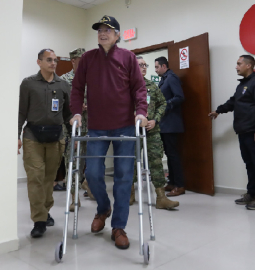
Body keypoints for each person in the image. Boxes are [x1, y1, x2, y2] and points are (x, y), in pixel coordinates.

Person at [70, 15, 148, 250]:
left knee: (124, 177)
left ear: (117, 35)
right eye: (100, 30)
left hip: (125, 126)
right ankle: (103, 208)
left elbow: (139, 88)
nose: (102, 33)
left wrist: (141, 112)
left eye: (108, 29)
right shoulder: (87, 58)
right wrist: (76, 113)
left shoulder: (128, 57)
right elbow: (76, 88)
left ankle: (118, 226)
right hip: (96, 127)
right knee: (92, 173)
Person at [18, 48, 72, 238]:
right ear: (39, 62)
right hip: (33, 137)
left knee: (49, 179)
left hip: (56, 138)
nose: (53, 63)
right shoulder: (28, 84)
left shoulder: (63, 85)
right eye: (49, 60)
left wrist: (74, 121)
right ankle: (39, 220)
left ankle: (45, 210)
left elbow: (68, 114)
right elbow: (21, 112)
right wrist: (16, 135)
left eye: (55, 60)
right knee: (35, 178)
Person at [209, 55, 255, 210]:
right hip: (243, 130)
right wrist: (219, 110)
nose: (236, 67)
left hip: (254, 131)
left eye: (239, 64)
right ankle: (252, 193)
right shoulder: (243, 85)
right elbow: (233, 102)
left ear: (248, 65)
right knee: (249, 164)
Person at [131, 56, 179, 210]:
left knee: (156, 162)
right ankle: (129, 193)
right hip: (132, 131)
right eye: (140, 65)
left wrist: (155, 120)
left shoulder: (152, 86)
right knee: (130, 163)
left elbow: (163, 103)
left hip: (151, 131)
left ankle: (160, 197)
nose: (144, 67)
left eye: (145, 65)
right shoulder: (126, 86)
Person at [59, 48, 94, 212]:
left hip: (92, 127)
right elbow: (60, 105)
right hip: (72, 128)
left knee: (89, 161)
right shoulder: (64, 80)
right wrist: (76, 108)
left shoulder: (92, 78)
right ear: (73, 61)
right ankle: (74, 197)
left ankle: (86, 183)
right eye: (81, 59)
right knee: (72, 162)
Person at [154, 56, 186, 197]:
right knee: (169, 154)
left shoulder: (171, 78)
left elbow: (179, 97)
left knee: (173, 155)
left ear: (164, 66)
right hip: (164, 124)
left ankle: (179, 185)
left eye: (156, 67)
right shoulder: (163, 79)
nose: (155, 70)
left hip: (171, 123)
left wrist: (164, 106)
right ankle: (172, 181)